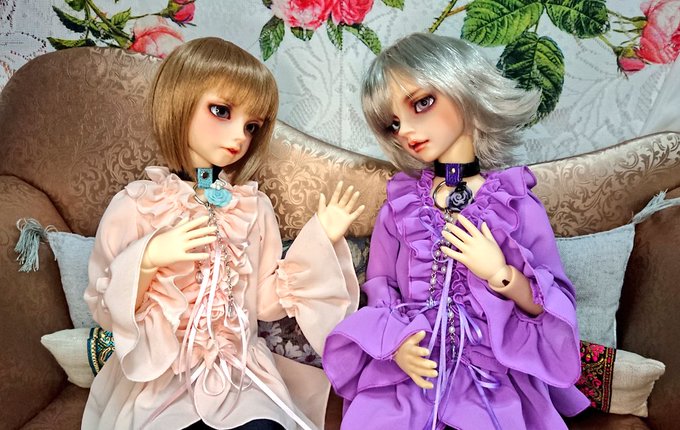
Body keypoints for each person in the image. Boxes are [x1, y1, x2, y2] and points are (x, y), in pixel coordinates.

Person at [82, 37, 364, 430]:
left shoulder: (253, 207)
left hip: (238, 373)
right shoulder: (137, 204)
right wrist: (148, 258)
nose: (238, 138)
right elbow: (104, 306)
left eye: (251, 126)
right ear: (179, 101)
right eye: (221, 111)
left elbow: (265, 303)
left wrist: (319, 240)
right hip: (160, 373)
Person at [322, 33, 590, 430]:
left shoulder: (515, 203)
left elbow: (556, 302)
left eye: (422, 103)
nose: (406, 131)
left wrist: (501, 274)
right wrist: (396, 345)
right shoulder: (400, 206)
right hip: (414, 372)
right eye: (393, 124)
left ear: (464, 88)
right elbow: (380, 288)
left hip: (490, 375)